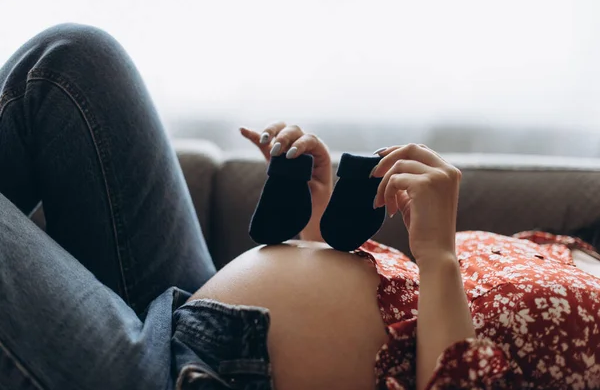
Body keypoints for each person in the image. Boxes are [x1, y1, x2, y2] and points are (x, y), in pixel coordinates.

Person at [0, 24, 599, 390]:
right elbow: (388, 323)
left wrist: (440, 257)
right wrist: (313, 225)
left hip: (208, 377)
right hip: (193, 314)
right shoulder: (571, 245)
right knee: (72, 63)